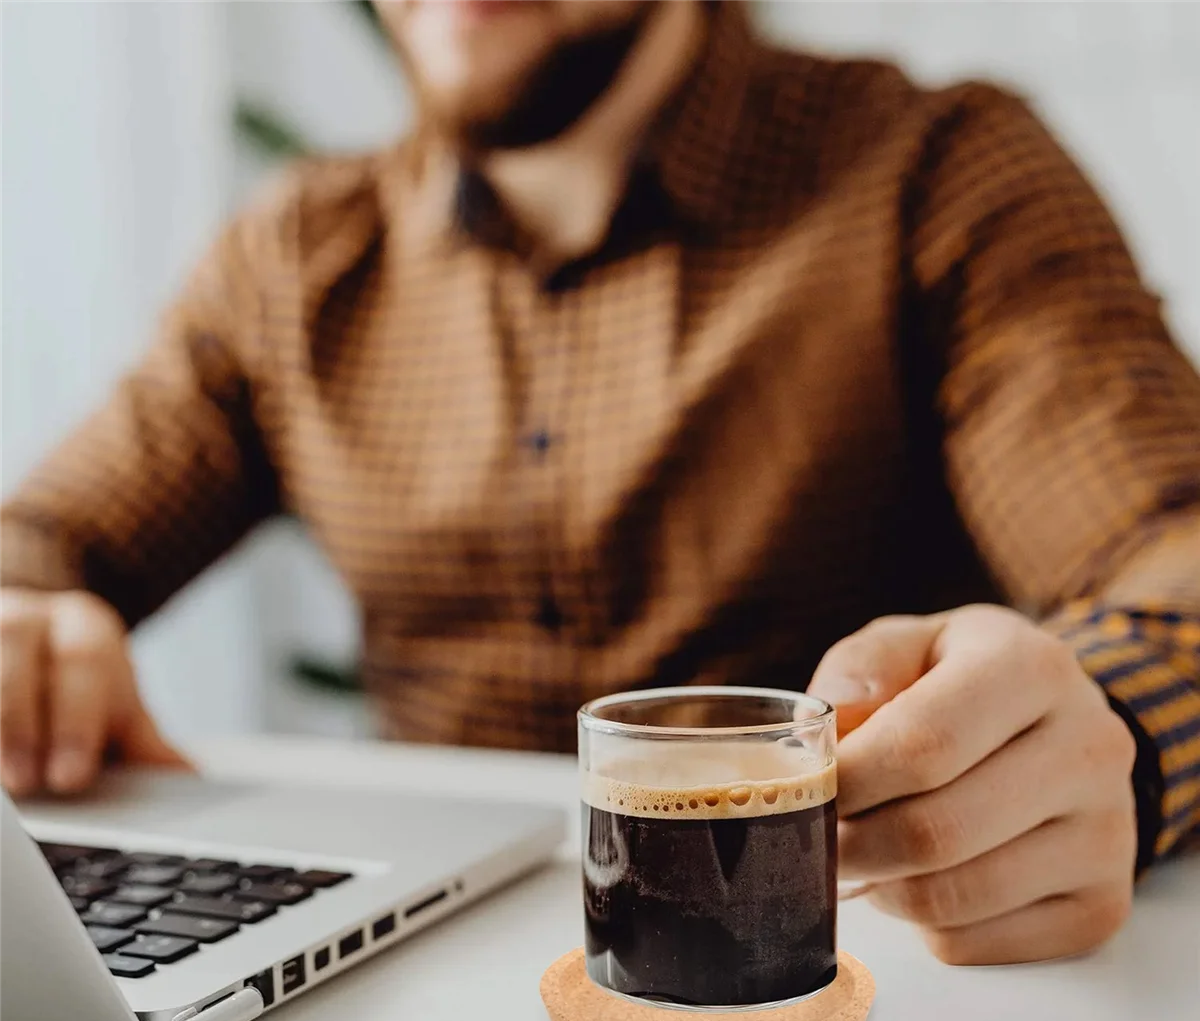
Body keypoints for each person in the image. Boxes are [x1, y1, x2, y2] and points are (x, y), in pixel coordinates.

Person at [1, 0, 1196, 967]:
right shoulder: (290, 259)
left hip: (850, 1006)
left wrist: (1105, 732)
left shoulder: (939, 176)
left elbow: (1174, 562)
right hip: (404, 1010)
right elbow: (46, 540)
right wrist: (24, 623)